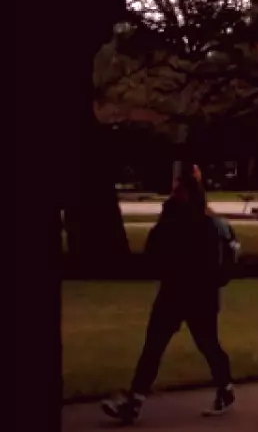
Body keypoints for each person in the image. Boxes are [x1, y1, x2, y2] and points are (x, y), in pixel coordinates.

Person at [102, 172, 239, 425]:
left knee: (204, 345)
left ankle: (224, 389)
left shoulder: (193, 223)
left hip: (190, 295)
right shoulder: (197, 221)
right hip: (186, 294)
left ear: (187, 193)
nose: (173, 194)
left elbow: (157, 252)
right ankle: (135, 400)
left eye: (178, 190)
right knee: (157, 346)